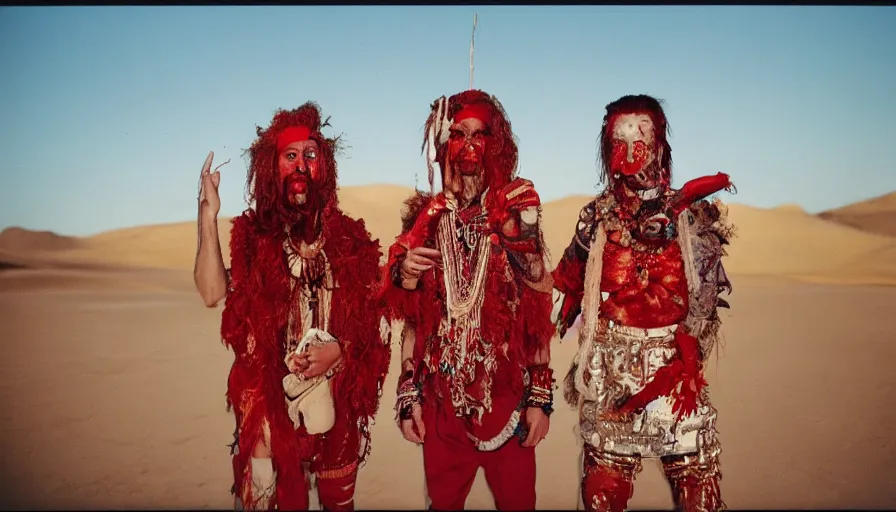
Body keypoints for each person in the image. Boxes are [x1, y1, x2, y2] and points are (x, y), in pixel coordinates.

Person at [193, 102, 390, 511]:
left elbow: (377, 319)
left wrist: (340, 350)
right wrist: (207, 215)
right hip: (272, 409)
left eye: (311, 155)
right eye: (291, 156)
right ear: (273, 168)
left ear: (325, 167)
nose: (302, 165)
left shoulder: (350, 240)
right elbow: (212, 292)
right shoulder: (254, 238)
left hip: (336, 402)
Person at [552, 94, 736, 512]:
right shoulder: (597, 218)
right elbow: (564, 281)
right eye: (619, 144)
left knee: (700, 496)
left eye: (640, 142)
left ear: (659, 146)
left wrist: (689, 350)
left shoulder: (692, 218)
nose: (630, 156)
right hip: (610, 371)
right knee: (601, 494)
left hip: (675, 376)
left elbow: (705, 305)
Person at [378, 89, 556, 511]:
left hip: (508, 400)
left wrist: (540, 395)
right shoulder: (425, 218)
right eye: (459, 134)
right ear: (444, 146)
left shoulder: (515, 209)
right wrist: (408, 393)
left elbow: (537, 305)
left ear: (497, 146)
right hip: (443, 409)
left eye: (480, 135)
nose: (470, 147)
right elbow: (412, 320)